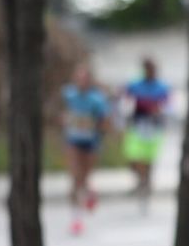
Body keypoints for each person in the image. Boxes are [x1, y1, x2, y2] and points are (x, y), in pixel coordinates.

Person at [60, 63, 113, 236]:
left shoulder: (96, 99)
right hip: (73, 141)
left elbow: (105, 120)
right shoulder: (69, 95)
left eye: (84, 79)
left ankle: (90, 193)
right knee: (75, 177)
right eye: (78, 78)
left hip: (90, 142)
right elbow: (60, 112)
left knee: (84, 177)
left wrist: (97, 128)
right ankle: (76, 218)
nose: (81, 82)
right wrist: (65, 120)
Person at [122, 57, 171, 209]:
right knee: (134, 156)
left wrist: (159, 110)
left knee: (148, 158)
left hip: (153, 127)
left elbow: (168, 106)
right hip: (137, 126)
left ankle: (146, 183)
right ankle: (142, 180)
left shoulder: (162, 87)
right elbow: (124, 100)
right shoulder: (135, 85)